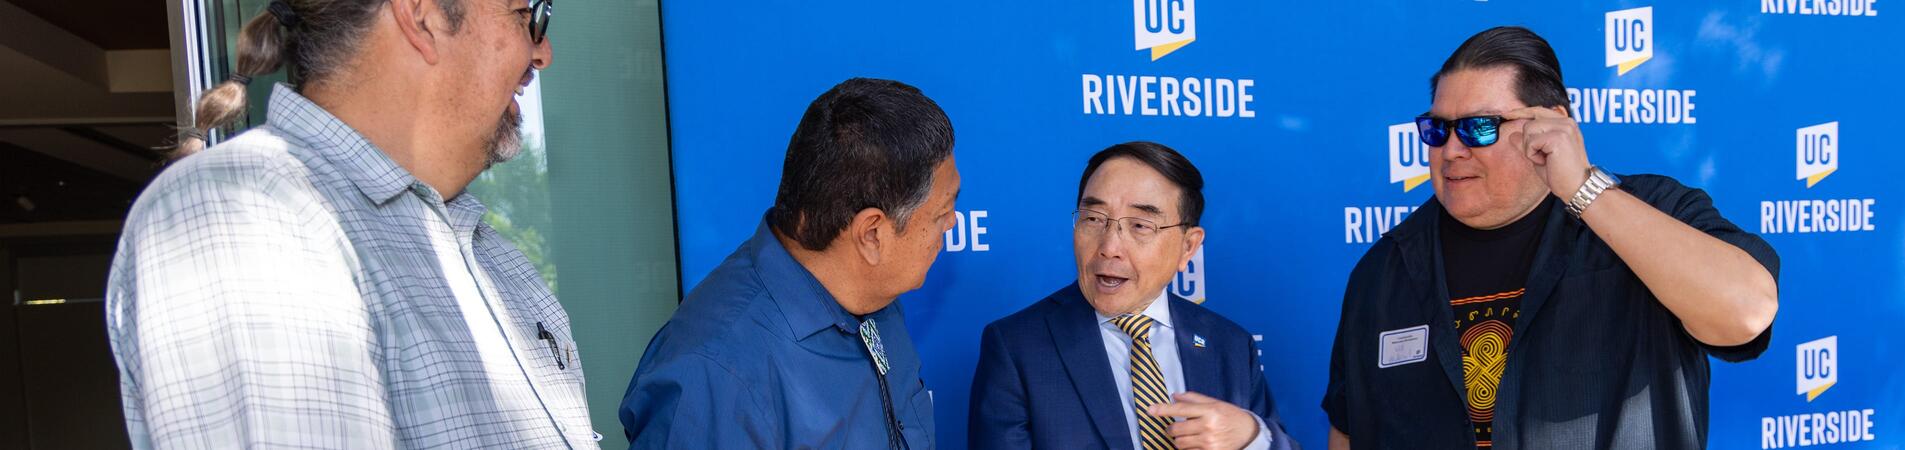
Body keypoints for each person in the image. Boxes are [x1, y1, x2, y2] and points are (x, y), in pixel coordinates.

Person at [104, 0, 592, 448]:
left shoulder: (491, 253)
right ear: (422, 16)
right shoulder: (250, 212)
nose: (543, 52)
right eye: (525, 15)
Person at [1323, 26, 1780, 449]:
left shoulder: (1651, 210)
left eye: (1479, 128)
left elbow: (1746, 313)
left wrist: (1583, 188)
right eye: (1437, 129)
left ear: (1551, 124)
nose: (1452, 150)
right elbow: (1348, 431)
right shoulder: (1386, 268)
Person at [617, 77, 958, 449]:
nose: (952, 223)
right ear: (872, 234)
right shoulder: (716, 376)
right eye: (942, 212)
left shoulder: (874, 299)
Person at [970, 141, 1300, 450]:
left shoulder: (1230, 344)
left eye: (1140, 226)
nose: (1109, 247)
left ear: (1188, 247)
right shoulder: (1017, 347)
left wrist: (1251, 436)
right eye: (1093, 219)